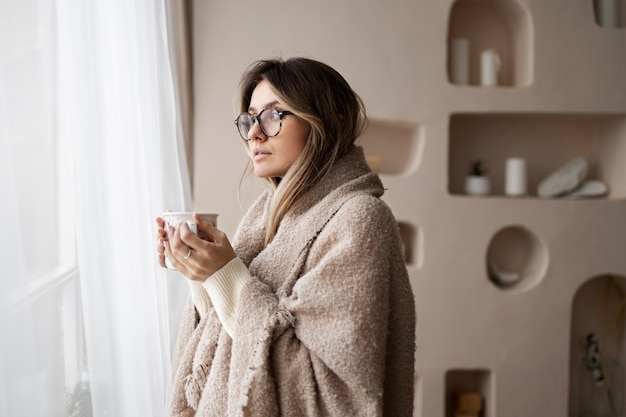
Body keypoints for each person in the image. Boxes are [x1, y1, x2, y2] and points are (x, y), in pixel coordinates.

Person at [156, 57, 416, 416]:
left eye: (274, 115)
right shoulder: (265, 213)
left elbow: (332, 391)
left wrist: (226, 274)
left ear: (324, 122)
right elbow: (227, 340)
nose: (254, 133)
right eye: (250, 118)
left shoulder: (360, 220)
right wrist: (199, 274)